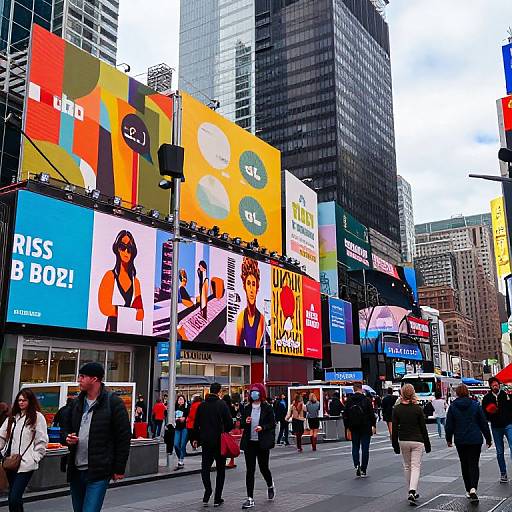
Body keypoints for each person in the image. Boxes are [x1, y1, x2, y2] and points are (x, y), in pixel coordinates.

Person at [62, 362, 131, 512]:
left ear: (94, 379)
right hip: (76, 468)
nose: (79, 380)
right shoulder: (76, 403)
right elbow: (65, 428)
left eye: (82, 376)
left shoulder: (113, 403)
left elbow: (123, 437)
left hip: (99, 470)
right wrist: (67, 438)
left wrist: (119, 468)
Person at [0, 389, 48, 511]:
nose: (21, 402)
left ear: (30, 401)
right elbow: (2, 435)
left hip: (26, 463)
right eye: (19, 400)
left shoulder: (37, 417)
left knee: (14, 497)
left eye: (24, 400)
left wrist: (35, 457)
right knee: (14, 497)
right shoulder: (12, 417)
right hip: (10, 462)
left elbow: (41, 440)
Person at [445, 384, 492, 503]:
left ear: (457, 393)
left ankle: (467, 489)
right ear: (467, 392)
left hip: (460, 440)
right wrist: (488, 438)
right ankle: (473, 488)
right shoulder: (475, 405)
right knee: (474, 464)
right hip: (475, 439)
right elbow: (483, 423)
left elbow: (449, 425)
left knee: (464, 464)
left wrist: (449, 439)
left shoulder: (453, 406)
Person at [192, 382, 233, 507]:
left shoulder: (202, 405)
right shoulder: (222, 404)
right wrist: (224, 429)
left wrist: (195, 439)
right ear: (219, 392)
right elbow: (229, 423)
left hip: (205, 441)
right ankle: (217, 498)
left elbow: (196, 424)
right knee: (220, 470)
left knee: (205, 468)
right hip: (219, 442)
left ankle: (207, 490)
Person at [391, 383, 431, 506]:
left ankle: (411, 490)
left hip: (403, 440)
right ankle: (412, 490)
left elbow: (394, 430)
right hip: (417, 440)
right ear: (413, 393)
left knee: (407, 466)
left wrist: (395, 445)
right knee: (415, 466)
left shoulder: (397, 409)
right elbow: (423, 428)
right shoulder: (417, 408)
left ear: (402, 393)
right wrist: (427, 443)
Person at [98, 230, 144, 333]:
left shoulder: (135, 282)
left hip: (130, 331)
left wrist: (136, 312)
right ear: (117, 249)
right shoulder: (110, 276)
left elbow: (141, 312)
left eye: (130, 249)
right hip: (112, 330)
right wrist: (128, 312)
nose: (126, 252)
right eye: (123, 247)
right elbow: (104, 307)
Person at [240, 383, 276, 509]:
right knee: (250, 470)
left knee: (263, 467)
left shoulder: (267, 408)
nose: (254, 394)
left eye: (256, 391)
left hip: (262, 443)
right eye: (252, 392)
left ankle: (270, 485)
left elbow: (273, 424)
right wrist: (245, 422)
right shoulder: (247, 408)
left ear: (261, 393)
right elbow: (242, 424)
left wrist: (263, 427)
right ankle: (250, 498)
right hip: (250, 442)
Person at [482, 376, 512, 482]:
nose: (496, 386)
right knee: (499, 451)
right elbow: (484, 414)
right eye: (493, 385)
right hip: (496, 426)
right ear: (490, 386)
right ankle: (503, 473)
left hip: (508, 424)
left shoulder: (506, 395)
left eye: (497, 384)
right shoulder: (486, 398)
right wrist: (490, 414)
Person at [343, 382, 376, 478]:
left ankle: (356, 465)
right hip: (365, 427)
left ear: (354, 389)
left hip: (354, 427)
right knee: (365, 448)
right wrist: (373, 425)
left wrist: (347, 427)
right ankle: (364, 469)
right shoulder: (366, 400)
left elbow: (345, 415)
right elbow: (371, 415)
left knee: (355, 447)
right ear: (361, 389)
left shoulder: (349, 401)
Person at [236, 258, 266, 348]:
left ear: (257, 287)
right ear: (244, 286)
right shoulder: (241, 318)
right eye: (248, 283)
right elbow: (237, 348)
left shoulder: (261, 319)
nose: (251, 289)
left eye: (253, 284)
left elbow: (256, 348)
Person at [174, 395, 189, 470]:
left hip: (184, 427)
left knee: (183, 444)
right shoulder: (174, 407)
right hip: (177, 428)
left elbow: (189, 416)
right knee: (176, 444)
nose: (180, 401)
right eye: (179, 399)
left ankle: (181, 460)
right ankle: (180, 456)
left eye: (182, 399)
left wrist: (185, 418)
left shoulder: (186, 408)